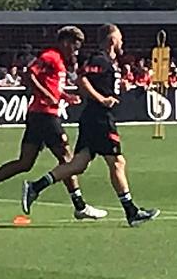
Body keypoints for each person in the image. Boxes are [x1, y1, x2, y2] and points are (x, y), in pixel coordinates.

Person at [21, 24, 159, 227]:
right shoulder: (99, 59)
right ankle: (131, 211)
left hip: (94, 118)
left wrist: (118, 88)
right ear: (112, 40)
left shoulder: (109, 62)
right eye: (120, 38)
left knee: (78, 165)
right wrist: (102, 99)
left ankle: (35, 187)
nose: (122, 42)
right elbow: (82, 80)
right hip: (99, 118)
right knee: (117, 162)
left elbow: (96, 81)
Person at [0, 26, 106, 221]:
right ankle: (78, 205)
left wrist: (65, 96)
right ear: (65, 42)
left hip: (38, 115)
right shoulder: (50, 56)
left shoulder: (59, 61)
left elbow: (50, 85)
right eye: (74, 47)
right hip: (45, 115)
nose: (75, 52)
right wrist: (48, 96)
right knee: (68, 160)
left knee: (25, 162)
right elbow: (30, 74)